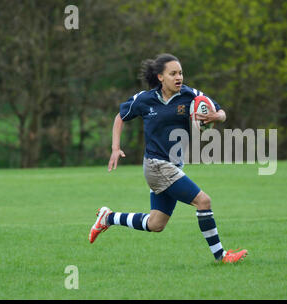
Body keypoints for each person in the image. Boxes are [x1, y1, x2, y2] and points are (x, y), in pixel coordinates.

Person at [88, 53, 248, 263]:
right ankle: (221, 256)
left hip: (173, 166)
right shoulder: (145, 99)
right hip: (156, 166)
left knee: (156, 224)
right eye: (173, 73)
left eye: (180, 73)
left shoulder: (190, 95)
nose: (178, 77)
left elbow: (220, 112)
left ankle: (108, 217)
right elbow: (120, 117)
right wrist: (115, 148)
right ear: (160, 77)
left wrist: (215, 116)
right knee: (203, 201)